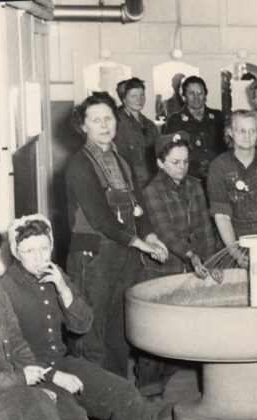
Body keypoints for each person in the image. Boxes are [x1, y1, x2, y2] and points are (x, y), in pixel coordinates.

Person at [0, 215, 179, 420]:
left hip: (61, 361)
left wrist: (62, 287)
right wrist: (51, 376)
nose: (39, 258)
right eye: (29, 251)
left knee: (124, 392)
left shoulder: (55, 274)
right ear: (15, 252)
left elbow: (82, 325)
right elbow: (9, 354)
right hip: (28, 373)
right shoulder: (4, 288)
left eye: (44, 248)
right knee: (70, 414)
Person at [0, 228, 126, 420]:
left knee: (70, 409)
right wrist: (23, 381)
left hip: (16, 389)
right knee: (37, 403)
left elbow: (18, 345)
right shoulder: (6, 286)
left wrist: (40, 379)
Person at [64, 92, 169, 380]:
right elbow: (100, 218)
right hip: (94, 256)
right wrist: (140, 243)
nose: (104, 125)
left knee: (119, 335)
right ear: (83, 126)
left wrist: (150, 234)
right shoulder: (79, 165)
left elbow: (139, 206)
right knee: (91, 336)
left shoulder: (121, 161)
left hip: (124, 255)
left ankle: (117, 404)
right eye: (96, 120)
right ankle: (91, 411)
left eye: (108, 118)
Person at [208, 109, 257, 264]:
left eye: (253, 131)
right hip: (236, 242)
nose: (247, 136)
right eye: (241, 130)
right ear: (230, 132)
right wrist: (235, 253)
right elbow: (222, 217)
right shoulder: (218, 167)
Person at [141, 131, 217, 279]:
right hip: (164, 268)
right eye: (175, 162)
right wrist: (191, 255)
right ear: (160, 163)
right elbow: (165, 232)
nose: (182, 167)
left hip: (194, 265)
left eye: (186, 161)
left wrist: (211, 261)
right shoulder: (151, 191)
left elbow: (205, 228)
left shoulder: (195, 185)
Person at [163, 76, 227, 182]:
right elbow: (168, 152)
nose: (196, 97)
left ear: (205, 94)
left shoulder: (218, 117)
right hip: (189, 177)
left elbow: (227, 148)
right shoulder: (175, 120)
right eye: (191, 93)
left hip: (218, 176)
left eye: (200, 92)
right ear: (184, 96)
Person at [114, 77, 161, 190]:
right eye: (134, 96)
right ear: (124, 99)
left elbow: (161, 152)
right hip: (130, 185)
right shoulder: (116, 124)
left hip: (152, 184)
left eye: (142, 95)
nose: (139, 100)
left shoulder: (149, 125)